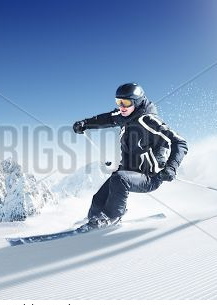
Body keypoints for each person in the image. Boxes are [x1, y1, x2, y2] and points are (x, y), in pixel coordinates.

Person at [73, 83, 188, 228]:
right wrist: (85, 123)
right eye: (118, 101)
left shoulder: (149, 121)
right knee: (98, 200)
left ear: (137, 101)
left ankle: (112, 218)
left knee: (120, 179)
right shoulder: (123, 116)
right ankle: (93, 221)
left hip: (150, 176)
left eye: (126, 102)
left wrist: (171, 167)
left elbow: (180, 143)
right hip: (127, 172)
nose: (121, 106)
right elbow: (107, 118)